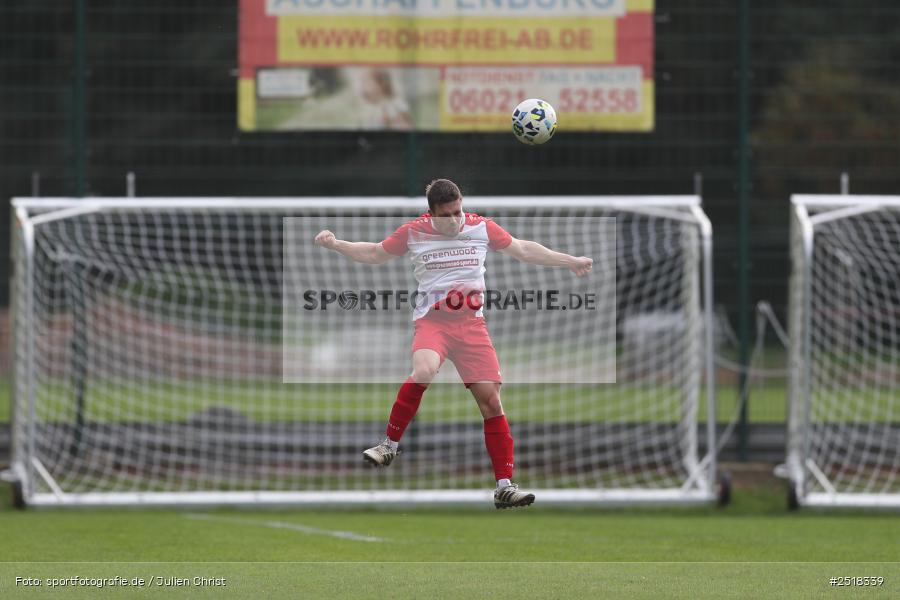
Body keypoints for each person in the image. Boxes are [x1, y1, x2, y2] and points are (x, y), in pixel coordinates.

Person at [313, 179, 593, 509]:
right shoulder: (413, 232)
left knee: (492, 402)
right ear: (431, 213)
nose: (455, 220)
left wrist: (570, 260)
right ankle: (389, 445)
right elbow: (374, 253)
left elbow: (523, 249)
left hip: (471, 327)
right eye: (446, 215)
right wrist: (336, 244)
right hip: (433, 323)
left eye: (458, 211)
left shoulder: (480, 227)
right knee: (424, 370)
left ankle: (504, 486)